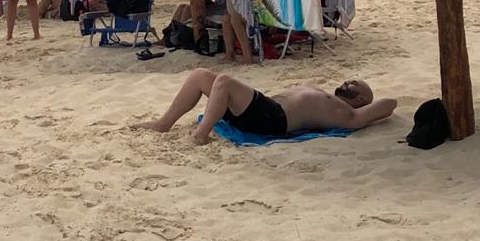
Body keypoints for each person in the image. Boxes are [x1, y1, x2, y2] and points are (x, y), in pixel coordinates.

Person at [132, 69, 396, 144]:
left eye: (356, 84)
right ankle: (164, 123)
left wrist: (371, 101)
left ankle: (200, 135)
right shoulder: (329, 97)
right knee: (200, 75)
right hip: (264, 109)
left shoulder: (347, 114)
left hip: (275, 120)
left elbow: (389, 104)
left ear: (362, 99)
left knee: (223, 81)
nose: (349, 82)